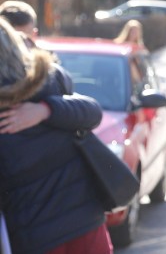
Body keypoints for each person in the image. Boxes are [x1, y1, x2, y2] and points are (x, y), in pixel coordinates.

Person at [0, 18, 113, 254]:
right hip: (85, 222)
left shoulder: (47, 85)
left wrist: (46, 110)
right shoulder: (48, 81)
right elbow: (92, 111)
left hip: (35, 234)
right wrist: (47, 110)